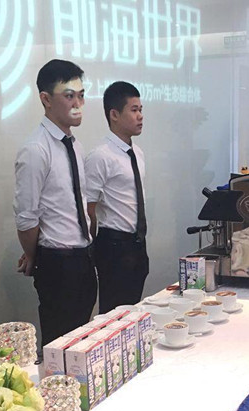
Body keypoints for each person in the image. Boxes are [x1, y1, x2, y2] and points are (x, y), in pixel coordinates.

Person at [14, 60, 96, 347]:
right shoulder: (36, 149)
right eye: (69, 96)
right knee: (60, 345)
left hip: (84, 256)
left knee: (83, 341)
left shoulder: (75, 145)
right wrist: (33, 255)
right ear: (46, 99)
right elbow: (26, 217)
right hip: (58, 263)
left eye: (81, 95)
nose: (78, 104)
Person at [84, 81, 148, 313]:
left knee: (133, 311)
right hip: (113, 246)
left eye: (141, 109)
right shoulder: (100, 156)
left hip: (137, 243)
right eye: (134, 110)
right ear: (114, 114)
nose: (140, 116)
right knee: (113, 314)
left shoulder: (137, 152)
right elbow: (88, 208)